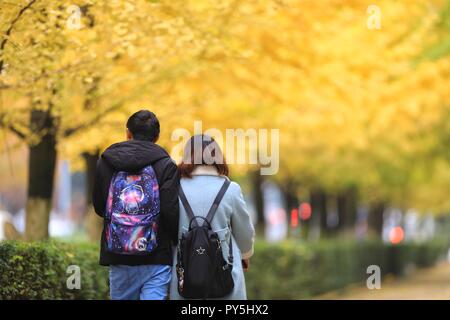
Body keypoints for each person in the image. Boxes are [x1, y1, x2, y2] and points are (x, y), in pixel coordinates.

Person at [93, 110, 179, 300]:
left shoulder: (106, 162)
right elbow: (170, 211)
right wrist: (175, 241)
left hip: (118, 252)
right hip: (156, 253)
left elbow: (100, 207)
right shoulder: (166, 165)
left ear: (127, 133)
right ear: (157, 137)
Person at [170, 134, 255, 300]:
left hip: (186, 277)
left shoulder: (175, 187)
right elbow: (244, 231)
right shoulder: (230, 189)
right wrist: (245, 255)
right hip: (224, 276)